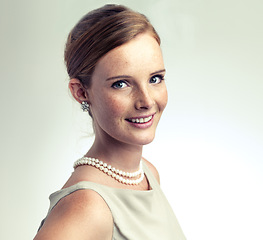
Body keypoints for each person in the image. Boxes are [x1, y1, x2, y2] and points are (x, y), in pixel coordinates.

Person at [34, 4, 186, 240]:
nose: (146, 101)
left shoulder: (147, 173)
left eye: (155, 78)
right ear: (81, 92)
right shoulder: (87, 207)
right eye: (121, 84)